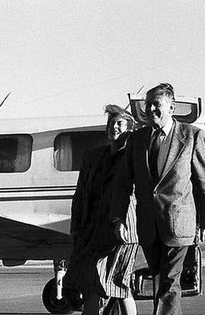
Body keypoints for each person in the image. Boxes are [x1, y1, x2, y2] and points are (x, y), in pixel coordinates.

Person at [111, 83, 205, 315]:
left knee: (169, 282)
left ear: (172, 107)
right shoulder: (137, 139)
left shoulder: (191, 135)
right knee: (160, 283)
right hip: (148, 226)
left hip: (179, 225)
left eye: (156, 105)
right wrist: (118, 218)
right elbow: (123, 184)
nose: (150, 110)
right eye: (147, 105)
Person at [64, 105, 139, 315]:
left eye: (119, 123)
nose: (114, 127)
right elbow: (80, 195)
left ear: (130, 129)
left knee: (119, 285)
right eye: (111, 123)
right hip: (91, 229)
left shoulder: (133, 157)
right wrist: (76, 227)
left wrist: (123, 223)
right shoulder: (92, 157)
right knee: (90, 283)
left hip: (120, 231)